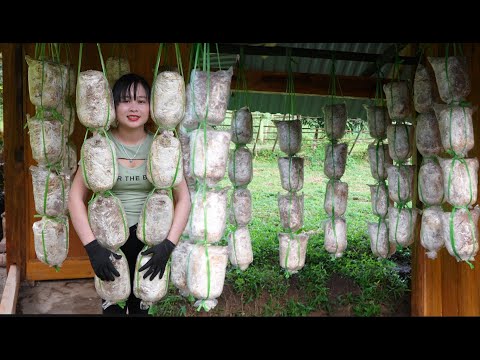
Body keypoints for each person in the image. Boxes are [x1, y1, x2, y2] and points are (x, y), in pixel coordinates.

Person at [68, 73, 191, 315]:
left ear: (151, 106)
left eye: (142, 101)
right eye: (125, 100)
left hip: (150, 242)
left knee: (140, 310)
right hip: (108, 243)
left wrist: (168, 245)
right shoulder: (99, 146)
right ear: (113, 106)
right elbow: (75, 198)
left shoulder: (163, 146)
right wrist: (93, 248)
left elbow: (184, 198)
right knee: (112, 309)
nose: (133, 107)